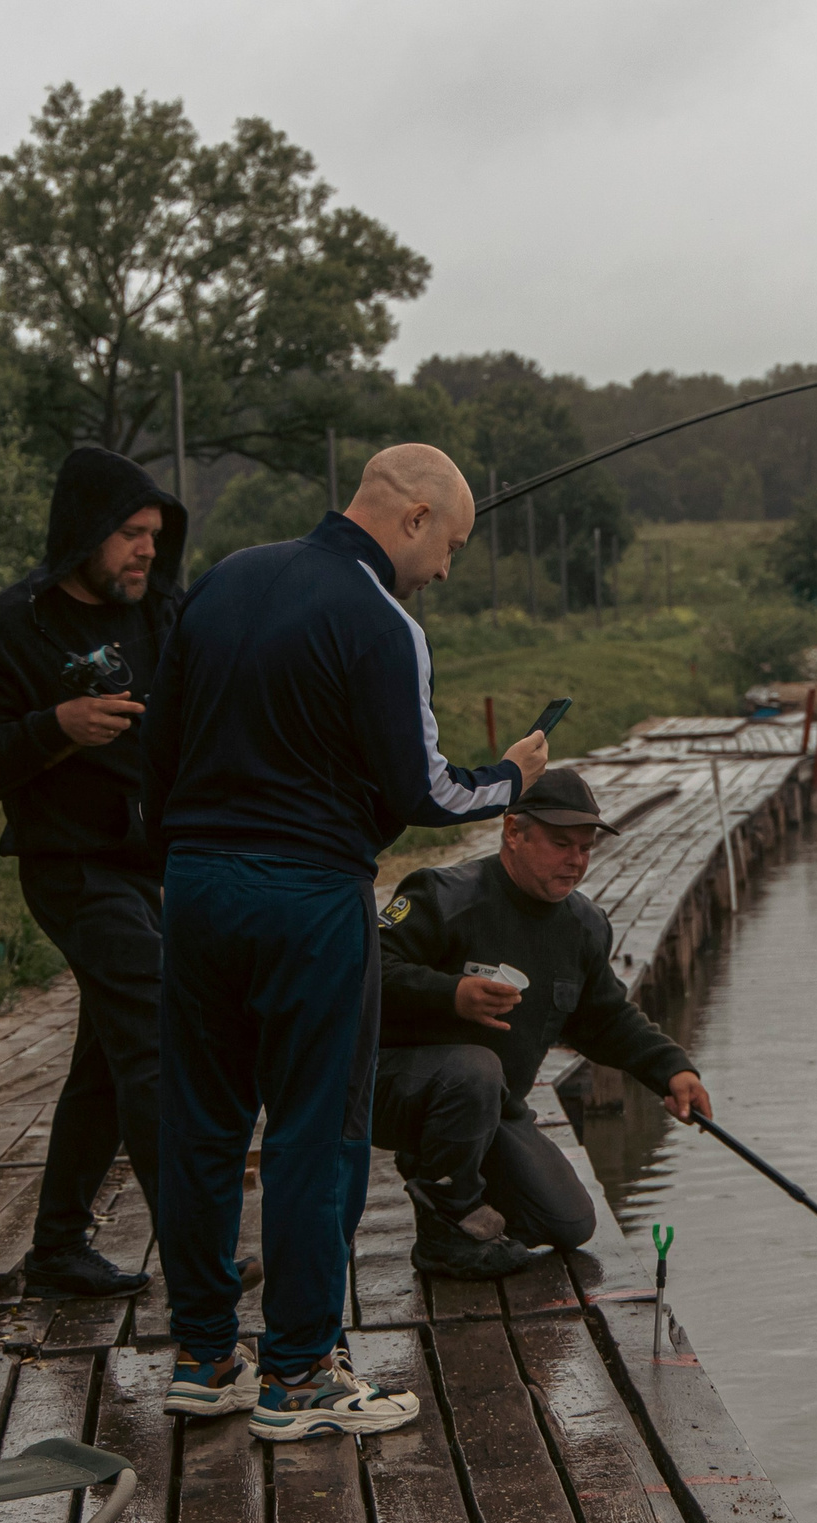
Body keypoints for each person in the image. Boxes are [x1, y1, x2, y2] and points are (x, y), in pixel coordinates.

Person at [143, 444, 545, 1442]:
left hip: (193, 886)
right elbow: (424, 792)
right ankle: (300, 1374)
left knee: (199, 1122)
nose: (445, 569)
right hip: (308, 897)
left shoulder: (226, 579)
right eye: (447, 544)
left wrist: (189, 855)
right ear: (409, 518)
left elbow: (156, 748)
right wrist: (514, 777)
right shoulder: (382, 623)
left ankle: (202, 1356)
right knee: (316, 1134)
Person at [0, 446, 183, 1300]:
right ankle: (200, 1252)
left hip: (152, 863)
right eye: (129, 533)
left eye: (154, 535)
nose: (146, 551)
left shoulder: (160, 612)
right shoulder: (8, 630)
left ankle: (57, 1246)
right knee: (154, 1026)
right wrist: (58, 725)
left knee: (109, 1052)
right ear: (85, 532)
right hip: (71, 867)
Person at [375, 767, 711, 1278]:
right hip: (386, 1088)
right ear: (513, 832)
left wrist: (672, 1070)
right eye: (560, 844)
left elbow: (605, 1019)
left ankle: (458, 1187)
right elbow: (365, 968)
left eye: (586, 848)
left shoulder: (584, 925)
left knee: (570, 1222)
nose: (575, 861)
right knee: (474, 1068)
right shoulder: (442, 895)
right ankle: (445, 1232)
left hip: (492, 1109)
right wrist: (451, 995)